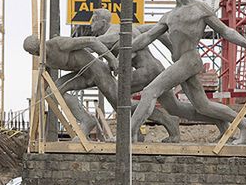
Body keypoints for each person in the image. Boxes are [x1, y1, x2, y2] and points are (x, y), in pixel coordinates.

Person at [130, 0, 246, 144]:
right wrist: (127, 48)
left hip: (189, 59)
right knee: (202, 106)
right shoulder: (169, 16)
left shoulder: (200, 9)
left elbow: (226, 31)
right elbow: (148, 36)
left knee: (150, 91)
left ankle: (129, 134)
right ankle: (244, 124)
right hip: (180, 62)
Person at [88, 8, 231, 141]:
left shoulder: (112, 33)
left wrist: (119, 58)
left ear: (103, 22)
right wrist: (173, 50)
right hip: (156, 68)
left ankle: (133, 133)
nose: (90, 24)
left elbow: (96, 42)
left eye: (93, 20)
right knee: (176, 108)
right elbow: (152, 30)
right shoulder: (124, 28)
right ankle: (217, 120)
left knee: (118, 96)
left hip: (145, 71)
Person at [23, 34, 179, 140]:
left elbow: (92, 41)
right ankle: (86, 121)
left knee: (123, 106)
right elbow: (47, 79)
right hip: (81, 75)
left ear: (41, 44)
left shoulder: (58, 44)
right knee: (53, 92)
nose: (37, 54)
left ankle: (168, 120)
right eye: (34, 53)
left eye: (38, 50)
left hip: (97, 71)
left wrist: (111, 60)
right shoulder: (44, 59)